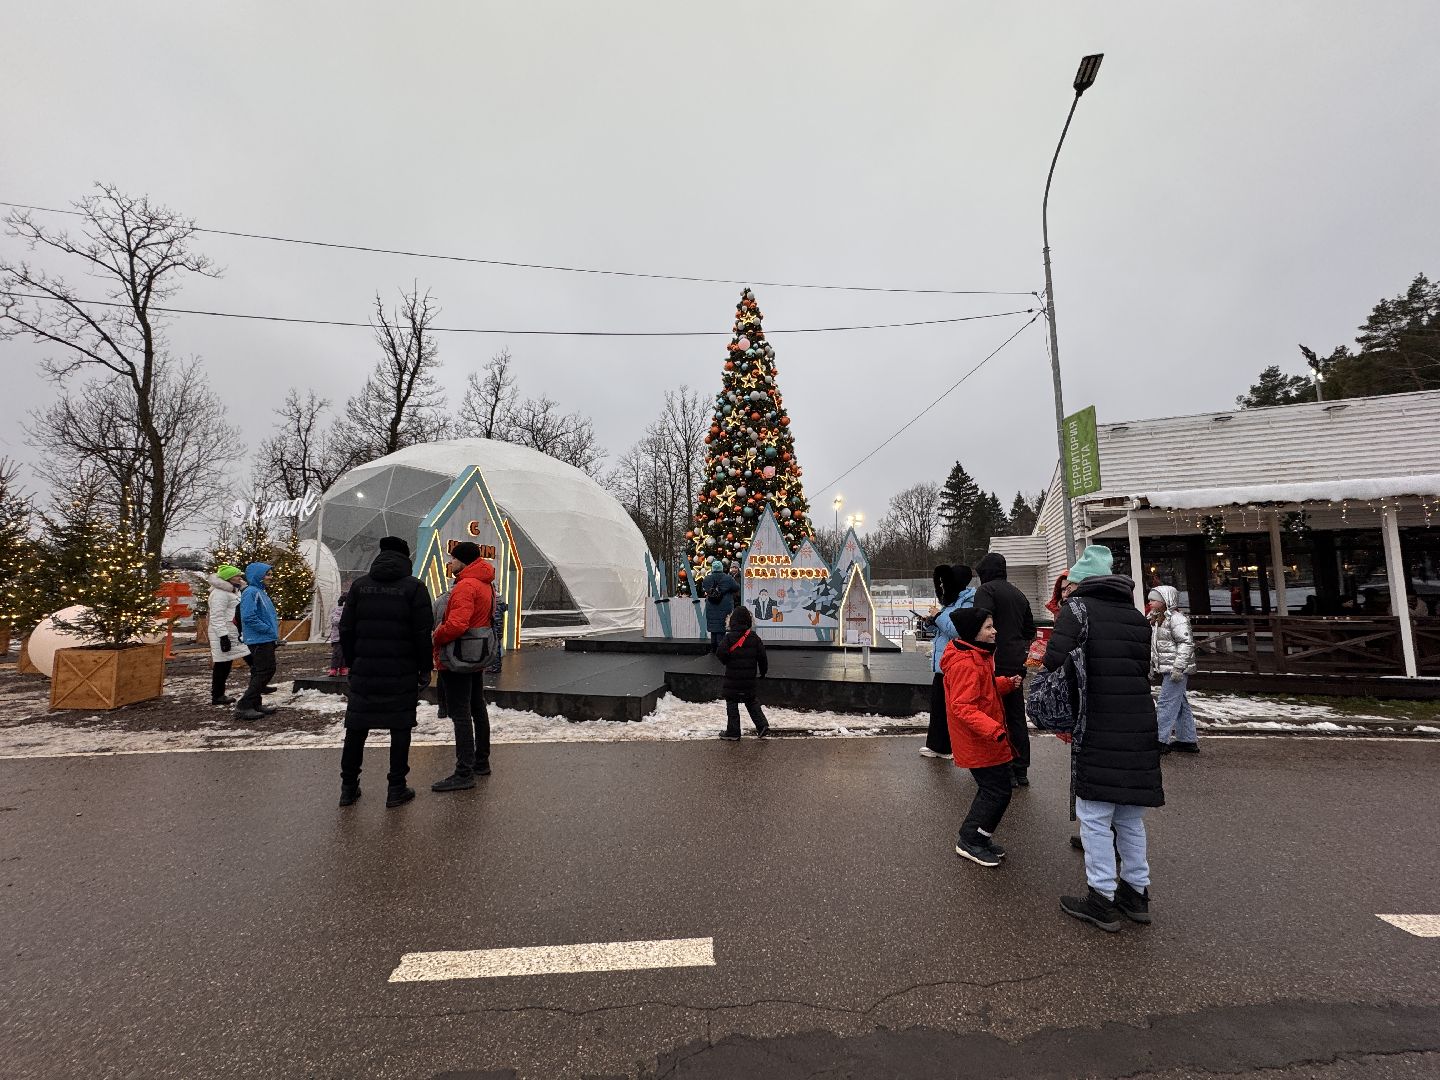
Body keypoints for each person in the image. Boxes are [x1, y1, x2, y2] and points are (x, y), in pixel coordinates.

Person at [1043, 545, 1164, 932]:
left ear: (1080, 582)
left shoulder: (1077, 611)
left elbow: (1055, 662)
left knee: (1094, 815)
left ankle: (1102, 896)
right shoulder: (1135, 616)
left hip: (1097, 720)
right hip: (1138, 721)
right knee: (1129, 815)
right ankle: (1136, 891)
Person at [338, 536, 434, 809]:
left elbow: (345, 629)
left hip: (365, 669)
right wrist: (424, 667)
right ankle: (396, 788)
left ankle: (348, 787)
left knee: (356, 728)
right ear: (406, 559)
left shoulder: (360, 586)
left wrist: (354, 660)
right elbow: (421, 634)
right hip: (401, 670)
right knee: (400, 727)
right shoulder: (414, 588)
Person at [942, 607, 1023, 867]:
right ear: (974, 633)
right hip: (979, 740)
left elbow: (983, 689)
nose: (994, 631)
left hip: (987, 738)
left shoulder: (979, 656)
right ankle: (970, 840)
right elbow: (963, 706)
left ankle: (978, 836)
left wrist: (1006, 684)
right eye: (988, 627)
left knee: (995, 790)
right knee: (996, 791)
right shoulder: (967, 662)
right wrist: (994, 730)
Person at [431, 540, 496, 792]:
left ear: (463, 560)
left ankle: (463, 772)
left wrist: (437, 635)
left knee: (461, 715)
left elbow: (458, 624)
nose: (451, 562)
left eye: (453, 558)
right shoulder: (484, 583)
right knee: (477, 708)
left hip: (458, 657)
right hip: (477, 654)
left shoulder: (465, 586)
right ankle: (481, 762)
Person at [973, 552, 1036, 787]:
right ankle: (1021, 769)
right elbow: (1029, 629)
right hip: (1016, 662)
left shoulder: (986, 591)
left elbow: (979, 623)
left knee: (993, 715)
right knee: (1016, 716)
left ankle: (1002, 769)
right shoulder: (1018, 594)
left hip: (994, 662)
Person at [919, 564, 974, 759]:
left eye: (945, 583)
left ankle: (950, 747)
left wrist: (938, 616)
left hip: (955, 664)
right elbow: (943, 630)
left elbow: (958, 630)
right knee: (939, 705)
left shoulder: (968, 602)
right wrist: (931, 622)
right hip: (943, 663)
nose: (942, 587)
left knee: (952, 708)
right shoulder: (950, 602)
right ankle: (938, 745)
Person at [1148, 585, 1199, 754]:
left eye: (1154, 600)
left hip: (1176, 669)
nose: (1151, 603)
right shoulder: (1156, 619)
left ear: (1165, 601)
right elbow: (1156, 646)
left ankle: (1160, 740)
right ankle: (1187, 739)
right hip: (1167, 667)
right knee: (1180, 703)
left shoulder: (1177, 619)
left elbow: (1186, 643)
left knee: (1166, 703)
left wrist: (1178, 667)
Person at [715, 605, 770, 740]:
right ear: (748, 621)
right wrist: (763, 672)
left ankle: (733, 732)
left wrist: (727, 661)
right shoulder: (754, 638)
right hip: (749, 679)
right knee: (751, 701)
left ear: (733, 621)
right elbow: (763, 658)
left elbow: (720, 653)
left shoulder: (729, 638)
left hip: (732, 679)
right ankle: (762, 725)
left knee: (732, 703)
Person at [234, 562, 280, 721]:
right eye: (267, 574)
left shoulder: (260, 592)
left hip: (265, 638)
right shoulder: (251, 592)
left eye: (270, 574)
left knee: (258, 671)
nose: (270, 577)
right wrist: (268, 629)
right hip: (259, 639)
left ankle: (255, 702)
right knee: (266, 670)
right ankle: (244, 705)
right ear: (258, 576)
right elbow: (248, 617)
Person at [206, 564, 250, 706]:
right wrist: (223, 637)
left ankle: (219, 694)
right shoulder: (219, 594)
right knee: (222, 664)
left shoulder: (233, 591)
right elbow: (217, 616)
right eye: (237, 576)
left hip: (233, 631)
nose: (240, 578)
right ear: (229, 578)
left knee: (229, 663)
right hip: (223, 633)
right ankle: (217, 695)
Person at [700, 558, 741, 650]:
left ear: (713, 569)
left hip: (711, 605)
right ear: (721, 568)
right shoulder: (728, 578)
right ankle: (721, 649)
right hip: (725, 605)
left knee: (713, 628)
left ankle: (713, 648)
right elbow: (737, 587)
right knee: (722, 628)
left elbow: (704, 588)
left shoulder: (707, 579)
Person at [327, 594, 348, 678]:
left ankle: (342, 668)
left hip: (343, 636)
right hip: (337, 637)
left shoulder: (347, 610)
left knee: (343, 653)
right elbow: (335, 621)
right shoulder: (336, 610)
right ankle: (334, 668)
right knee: (337, 653)